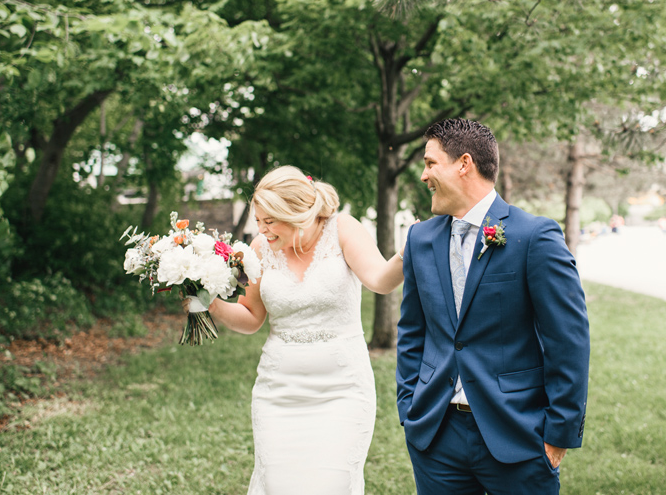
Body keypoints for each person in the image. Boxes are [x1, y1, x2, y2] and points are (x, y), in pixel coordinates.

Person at [396, 119, 590, 495]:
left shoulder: (535, 236)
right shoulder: (420, 238)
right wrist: (409, 407)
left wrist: (559, 433)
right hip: (435, 434)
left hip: (517, 434)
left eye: (431, 163)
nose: (423, 175)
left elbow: (568, 340)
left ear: (464, 164)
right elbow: (412, 331)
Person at [203, 166, 405, 494]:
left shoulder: (342, 230)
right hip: (278, 393)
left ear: (296, 213)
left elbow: (380, 280)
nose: (263, 230)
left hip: (343, 391)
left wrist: (408, 253)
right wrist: (211, 304)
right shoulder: (259, 249)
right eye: (259, 221)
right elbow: (252, 316)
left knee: (334, 483)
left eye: (270, 222)